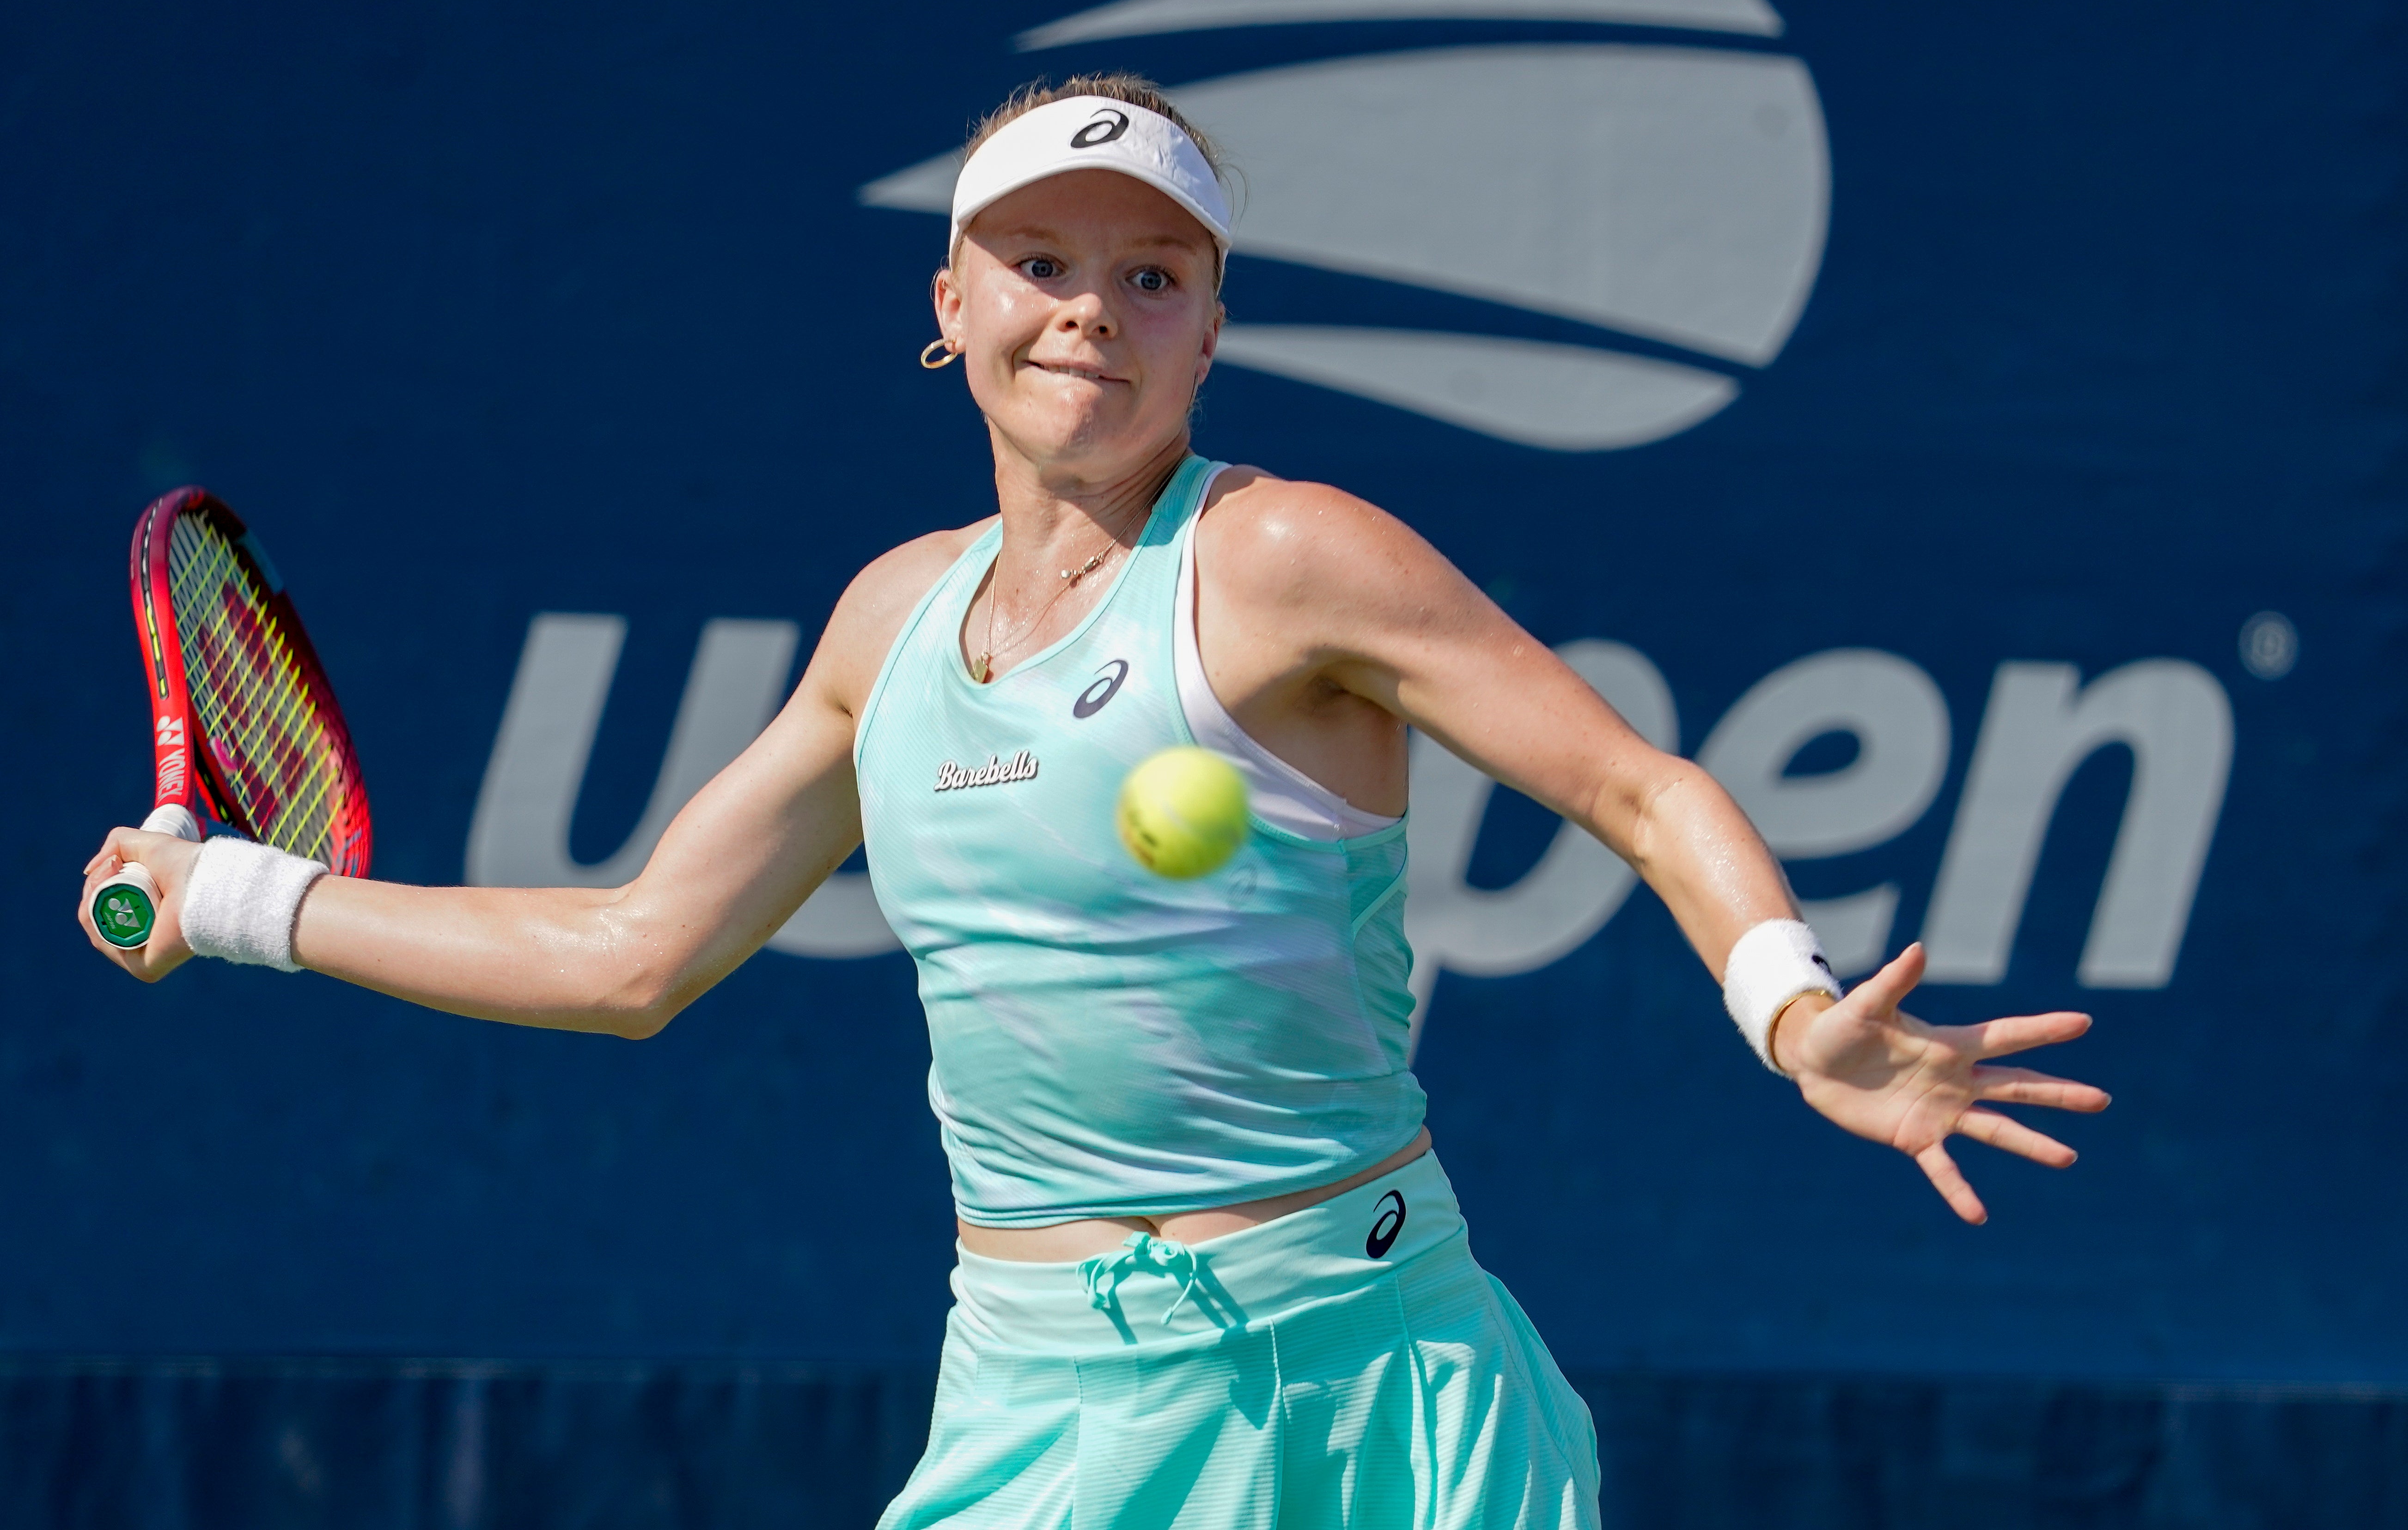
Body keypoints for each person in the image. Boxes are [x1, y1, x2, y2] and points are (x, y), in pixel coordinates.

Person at [79, 74, 2109, 1529]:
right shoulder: (886, 624)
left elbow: (1640, 784)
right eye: (1037, 262)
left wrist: (1784, 1002)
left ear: (1213, 324)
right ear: (948, 311)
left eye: (1154, 277)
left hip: (1367, 1388)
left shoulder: (1294, 556)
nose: (1091, 311)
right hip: (1039, 1402)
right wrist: (242, 898)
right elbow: (626, 956)